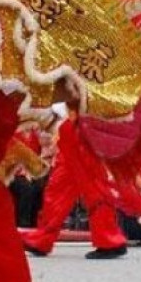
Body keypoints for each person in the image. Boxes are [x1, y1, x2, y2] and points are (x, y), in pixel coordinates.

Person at [21, 105, 128, 260]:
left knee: (93, 187)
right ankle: (42, 239)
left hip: (81, 125)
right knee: (58, 187)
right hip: (70, 128)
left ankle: (109, 239)